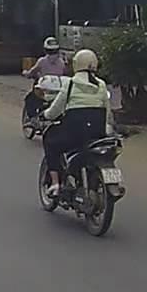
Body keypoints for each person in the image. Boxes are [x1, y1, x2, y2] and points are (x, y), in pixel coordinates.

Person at [40, 49, 113, 197]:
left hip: (74, 133)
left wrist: (45, 115)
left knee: (50, 141)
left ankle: (55, 184)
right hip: (97, 133)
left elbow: (55, 109)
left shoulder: (70, 84)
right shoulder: (101, 85)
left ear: (76, 64)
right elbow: (107, 111)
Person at [23, 37, 68, 119]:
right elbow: (65, 74)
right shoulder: (62, 63)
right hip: (58, 91)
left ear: (45, 50)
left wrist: (26, 73)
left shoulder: (42, 61)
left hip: (44, 90)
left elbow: (31, 72)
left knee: (29, 99)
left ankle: (32, 118)